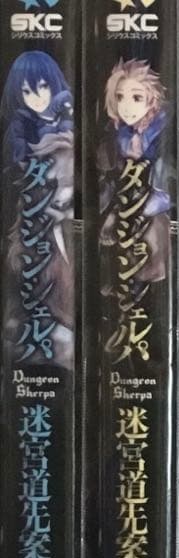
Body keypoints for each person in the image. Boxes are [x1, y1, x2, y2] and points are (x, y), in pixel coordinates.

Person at [1, 51, 75, 368]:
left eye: (43, 87)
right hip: (33, 223)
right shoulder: (19, 130)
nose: (37, 97)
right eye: (27, 91)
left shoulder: (65, 121)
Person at [98, 58, 170, 288]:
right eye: (120, 97)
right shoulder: (116, 135)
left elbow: (166, 186)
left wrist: (138, 209)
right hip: (122, 206)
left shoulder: (163, 135)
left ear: (152, 99)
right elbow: (108, 180)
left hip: (150, 209)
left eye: (137, 98)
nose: (126, 107)